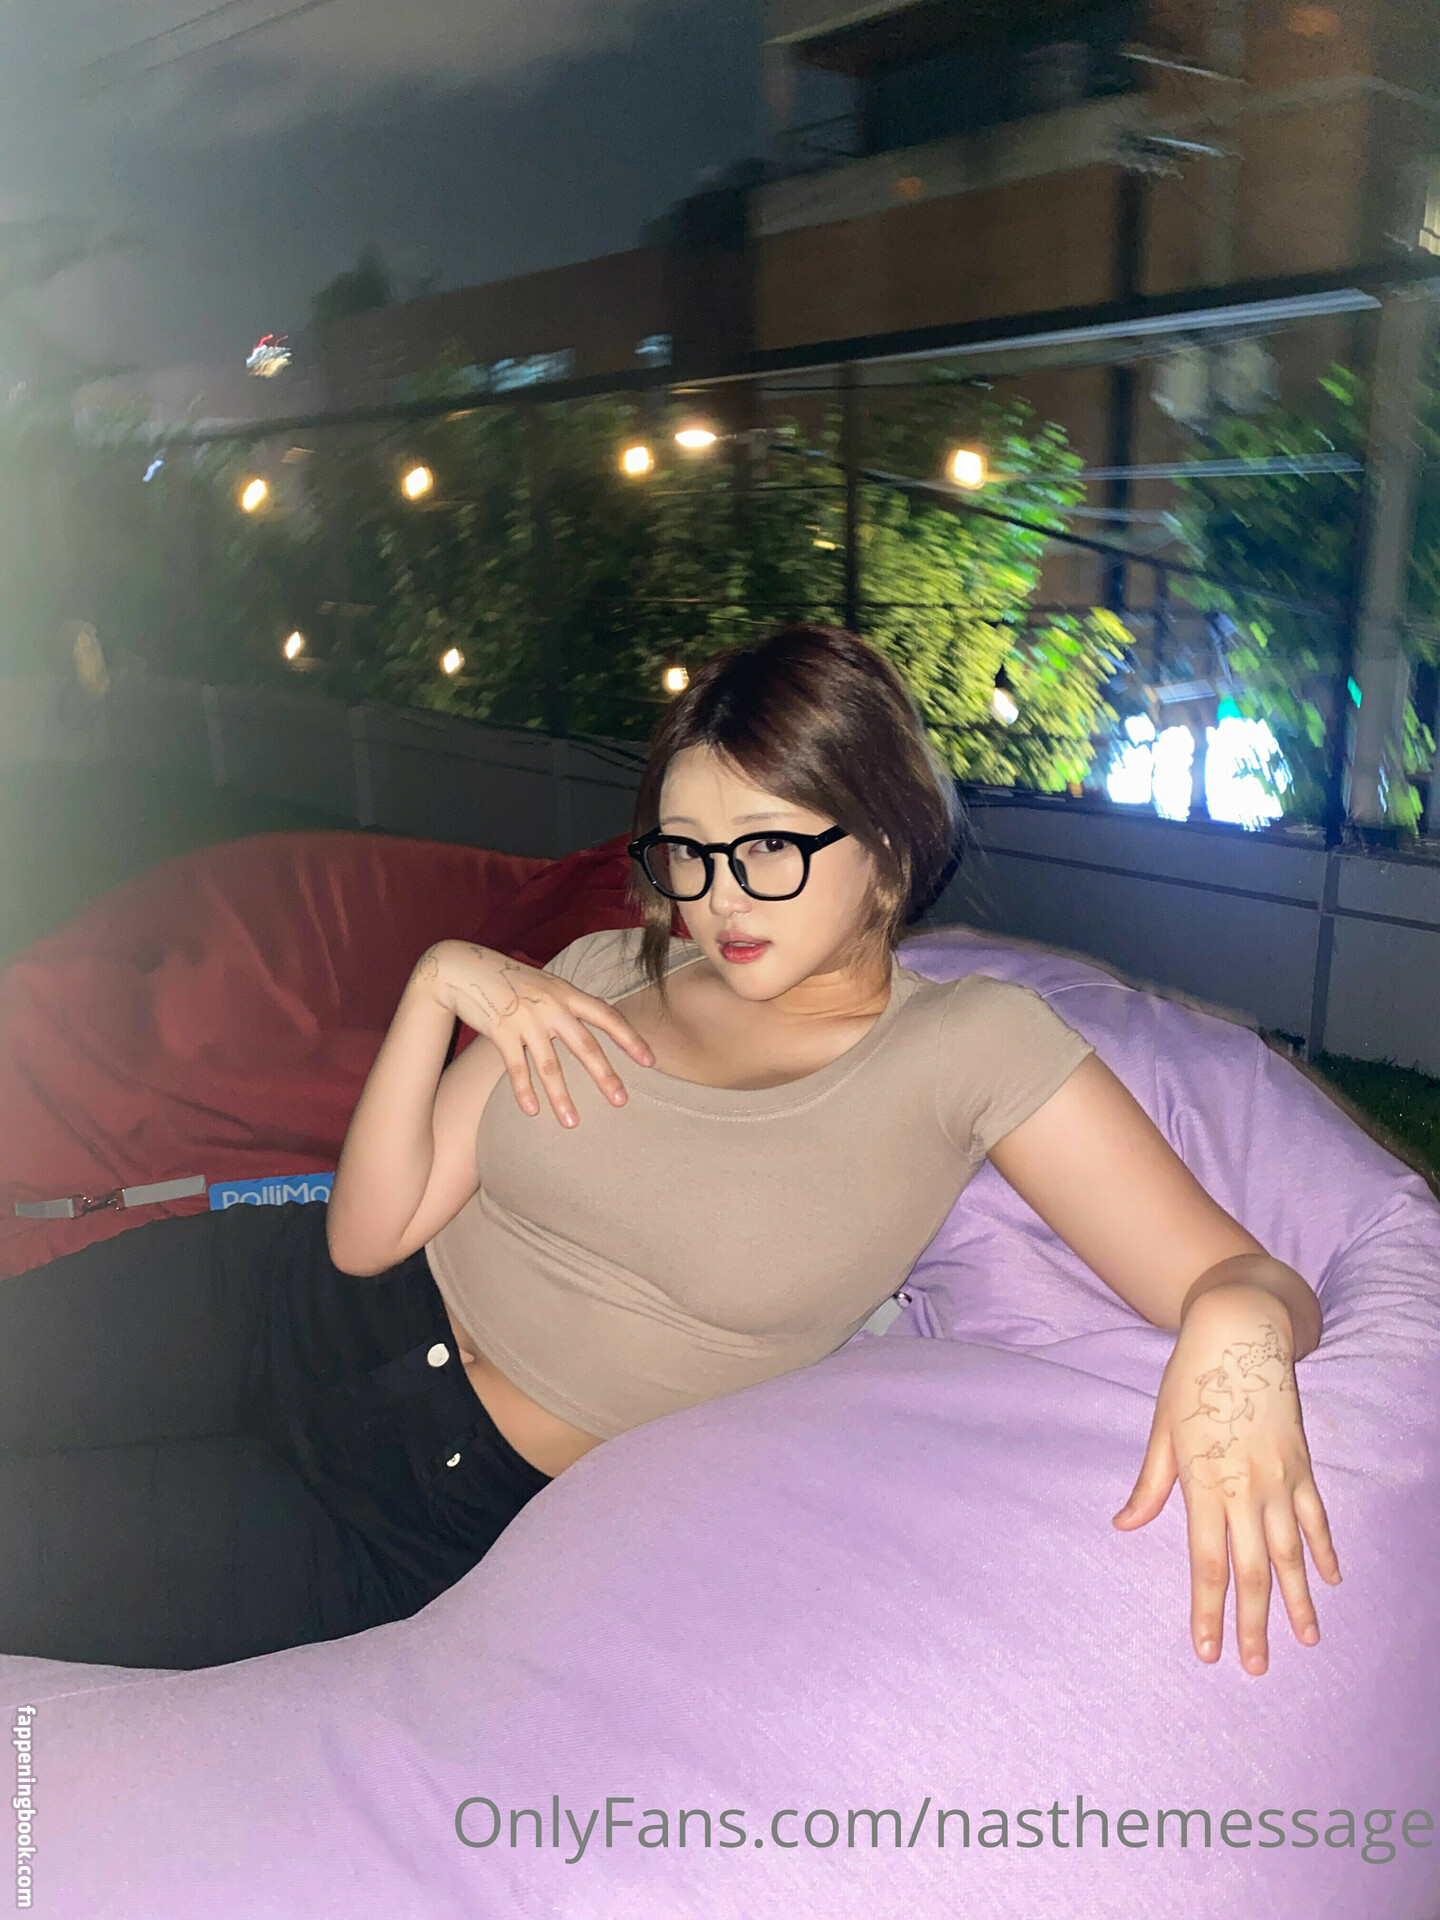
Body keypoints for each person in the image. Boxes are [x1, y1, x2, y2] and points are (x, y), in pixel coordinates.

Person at [0, 625, 1339, 1675]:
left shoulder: (969, 1047)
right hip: (279, 1298)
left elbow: (1247, 1277)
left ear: (883, 852)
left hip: (415, 1508)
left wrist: (1236, 1330)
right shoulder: (601, 970)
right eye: (686, 852)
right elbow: (365, 1236)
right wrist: (441, 983)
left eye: (769, 849)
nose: (719, 896)